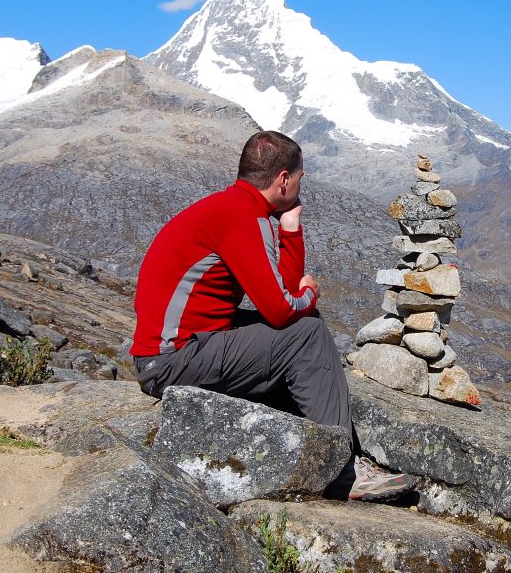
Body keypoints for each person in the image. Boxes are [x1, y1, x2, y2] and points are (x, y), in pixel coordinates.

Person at [130, 130, 412, 501]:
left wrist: (290, 231)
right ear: (283, 179)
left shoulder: (232, 208)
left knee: (302, 325)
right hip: (173, 361)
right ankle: (341, 470)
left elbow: (283, 295)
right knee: (308, 332)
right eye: (299, 177)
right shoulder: (244, 219)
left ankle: (307, 438)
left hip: (177, 350)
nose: (300, 183)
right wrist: (310, 293)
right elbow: (283, 310)